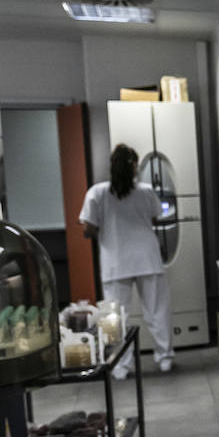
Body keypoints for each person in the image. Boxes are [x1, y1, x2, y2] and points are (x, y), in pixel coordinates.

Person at [79, 144, 174, 380]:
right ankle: (165, 359)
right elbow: (153, 216)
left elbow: (88, 228)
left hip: (115, 262)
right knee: (157, 311)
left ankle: (121, 365)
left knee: (117, 318)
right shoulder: (146, 191)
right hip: (147, 259)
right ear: (134, 168)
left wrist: (102, 229)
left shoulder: (97, 193)